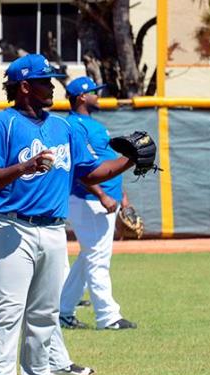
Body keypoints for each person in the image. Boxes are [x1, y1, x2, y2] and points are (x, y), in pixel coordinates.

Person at [0, 54, 140, 375]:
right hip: (11, 228)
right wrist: (23, 168)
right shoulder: (1, 125)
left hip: (53, 230)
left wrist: (129, 160)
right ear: (25, 86)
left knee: (44, 317)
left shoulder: (64, 127)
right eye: (47, 81)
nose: (53, 86)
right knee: (6, 314)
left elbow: (91, 171)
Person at [56, 77, 137, 332]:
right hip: (89, 200)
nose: (98, 96)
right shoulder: (73, 126)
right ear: (81, 97)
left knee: (88, 257)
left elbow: (105, 163)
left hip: (104, 200)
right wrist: (102, 195)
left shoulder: (93, 125)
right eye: (93, 92)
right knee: (98, 258)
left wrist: (122, 196)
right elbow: (79, 170)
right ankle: (108, 317)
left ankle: (63, 311)